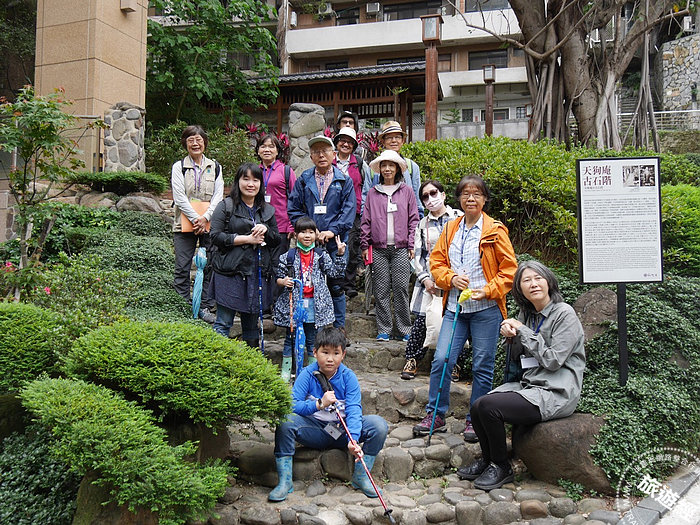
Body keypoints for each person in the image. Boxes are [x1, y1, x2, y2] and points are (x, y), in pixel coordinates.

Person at [456, 260, 586, 490]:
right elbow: (517, 358)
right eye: (527, 280)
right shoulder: (527, 314)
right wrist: (510, 337)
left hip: (555, 392)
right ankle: (488, 460)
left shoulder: (564, 314)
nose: (533, 284)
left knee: (490, 407)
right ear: (520, 288)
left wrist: (522, 331)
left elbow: (553, 361)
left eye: (538, 278)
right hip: (529, 385)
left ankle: (501, 467)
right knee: (477, 406)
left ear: (549, 282)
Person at [412, 175, 517, 442]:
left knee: (482, 365)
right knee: (442, 359)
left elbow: (509, 271)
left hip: (486, 309)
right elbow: (436, 263)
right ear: (458, 198)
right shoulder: (450, 228)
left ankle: (476, 419)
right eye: (466, 194)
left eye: (477, 194)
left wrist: (488, 290)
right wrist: (450, 279)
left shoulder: (495, 230)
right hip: (455, 309)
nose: (471, 198)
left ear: (485, 199)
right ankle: (436, 414)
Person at [269, 326, 389, 502]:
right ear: (315, 352)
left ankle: (361, 477)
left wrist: (353, 439)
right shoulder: (307, 374)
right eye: (325, 352)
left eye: (336, 353)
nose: (330, 359)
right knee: (285, 421)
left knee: (378, 425)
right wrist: (318, 404)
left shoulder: (348, 377)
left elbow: (354, 410)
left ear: (343, 355)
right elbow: (292, 405)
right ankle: (285, 481)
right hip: (315, 430)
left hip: (342, 432)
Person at [209, 163, 282, 348]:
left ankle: (252, 362)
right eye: (246, 179)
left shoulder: (267, 210)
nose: (251, 184)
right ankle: (216, 360)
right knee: (223, 323)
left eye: (255, 180)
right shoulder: (226, 206)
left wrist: (265, 229)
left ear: (261, 184)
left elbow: (276, 240)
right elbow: (215, 236)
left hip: (256, 273)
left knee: (251, 326)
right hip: (230, 273)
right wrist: (246, 239)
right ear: (238, 181)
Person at [288, 136, 356, 329]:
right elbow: (294, 209)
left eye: (325, 150)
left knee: (336, 285)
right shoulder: (304, 180)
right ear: (311, 156)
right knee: (309, 284)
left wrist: (331, 231)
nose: (321, 155)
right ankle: (312, 328)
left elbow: (348, 211)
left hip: (336, 242)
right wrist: (310, 229)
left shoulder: (344, 181)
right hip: (309, 243)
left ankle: (338, 330)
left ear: (334, 154)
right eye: (316, 151)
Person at [401, 180, 463, 379]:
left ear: (443, 194)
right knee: (422, 322)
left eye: (433, 193)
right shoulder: (422, 224)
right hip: (430, 283)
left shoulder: (459, 217)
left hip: (456, 281)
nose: (430, 199)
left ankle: (454, 364)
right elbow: (418, 256)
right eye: (425, 196)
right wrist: (425, 279)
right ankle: (412, 359)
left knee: (457, 323)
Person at [273, 216, 348, 382]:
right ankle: (286, 373)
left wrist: (340, 254)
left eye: (310, 232)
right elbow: (278, 277)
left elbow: (335, 273)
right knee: (290, 338)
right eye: (303, 232)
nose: (307, 236)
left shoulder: (321, 255)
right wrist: (284, 281)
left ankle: (313, 374)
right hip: (294, 303)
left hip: (315, 304)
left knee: (313, 339)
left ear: (316, 235)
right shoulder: (288, 256)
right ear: (295, 235)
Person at [360, 149, 419, 342]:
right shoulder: (372, 193)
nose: (387, 169)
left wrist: (411, 244)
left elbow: (414, 219)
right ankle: (384, 329)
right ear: (379, 169)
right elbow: (366, 220)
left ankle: (404, 329)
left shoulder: (406, 191)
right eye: (384, 165)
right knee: (381, 289)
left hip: (401, 248)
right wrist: (365, 245)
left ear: (397, 169)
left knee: (401, 288)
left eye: (391, 165)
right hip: (378, 249)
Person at [171, 124, 224, 323]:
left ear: (205, 143)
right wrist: (196, 218)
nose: (195, 143)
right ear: (185, 143)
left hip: (210, 223)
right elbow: (179, 196)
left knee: (209, 265)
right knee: (182, 266)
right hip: (184, 224)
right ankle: (182, 306)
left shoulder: (215, 166)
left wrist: (206, 217)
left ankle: (204, 306)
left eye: (199, 139)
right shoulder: (179, 167)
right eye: (191, 140)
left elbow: (218, 195)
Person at [332, 127, 370, 299]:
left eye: (349, 142)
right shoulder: (330, 161)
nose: (345, 144)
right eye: (342, 140)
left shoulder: (359, 163)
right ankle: (334, 282)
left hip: (354, 212)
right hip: (333, 211)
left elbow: (366, 187)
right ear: (337, 142)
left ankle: (348, 284)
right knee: (333, 246)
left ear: (354, 145)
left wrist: (363, 210)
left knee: (352, 247)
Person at [362, 120, 423, 217]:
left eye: (397, 137)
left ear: (402, 141)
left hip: (404, 222)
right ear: (383, 141)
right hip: (379, 221)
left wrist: (417, 221)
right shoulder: (373, 168)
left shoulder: (412, 167)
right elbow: (365, 200)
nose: (394, 140)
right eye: (389, 137)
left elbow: (417, 199)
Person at [256, 133, 297, 239]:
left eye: (271, 146)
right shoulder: (254, 171)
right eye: (263, 146)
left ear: (277, 151)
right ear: (258, 150)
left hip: (281, 226)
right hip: (258, 226)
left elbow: (295, 199)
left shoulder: (286, 171)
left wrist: (291, 225)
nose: (267, 150)